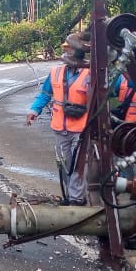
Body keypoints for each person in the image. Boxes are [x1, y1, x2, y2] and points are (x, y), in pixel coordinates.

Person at [25, 31, 93, 206]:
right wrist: (34, 110)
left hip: (81, 128)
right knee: (65, 164)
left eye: (71, 50)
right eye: (67, 50)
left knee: (78, 164)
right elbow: (45, 94)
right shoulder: (55, 72)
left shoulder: (91, 73)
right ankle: (71, 195)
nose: (68, 53)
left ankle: (76, 199)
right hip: (60, 128)